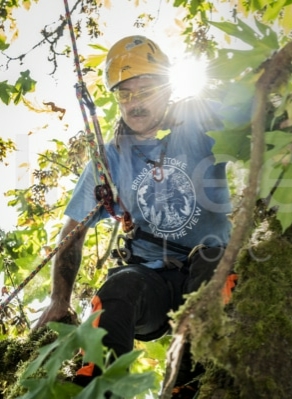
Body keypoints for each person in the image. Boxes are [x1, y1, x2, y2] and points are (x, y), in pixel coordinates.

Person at [35, 35, 234, 397]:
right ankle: (97, 384)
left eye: (145, 91)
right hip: (150, 283)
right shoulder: (110, 159)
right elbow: (73, 231)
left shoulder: (198, 123)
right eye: (125, 94)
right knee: (120, 285)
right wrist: (59, 299)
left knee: (214, 262)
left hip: (210, 270)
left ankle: (190, 385)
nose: (134, 103)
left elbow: (255, 113)